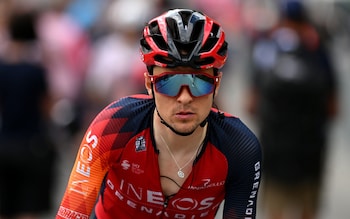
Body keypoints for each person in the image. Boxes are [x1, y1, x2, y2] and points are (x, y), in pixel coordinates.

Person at [56, 8, 262, 219]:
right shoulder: (113, 126)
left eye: (199, 82)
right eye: (169, 83)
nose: (184, 98)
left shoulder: (240, 148)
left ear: (216, 85)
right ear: (149, 84)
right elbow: (71, 212)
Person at [246, 1, 338, 218]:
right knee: (307, 208)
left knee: (275, 208)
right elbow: (334, 107)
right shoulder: (319, 51)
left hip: (275, 149)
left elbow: (251, 105)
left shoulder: (265, 50)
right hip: (311, 150)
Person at [0, 9, 57, 219]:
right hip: (32, 144)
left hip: (5, 143)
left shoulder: (2, 68)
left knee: (4, 207)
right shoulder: (36, 71)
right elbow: (48, 107)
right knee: (28, 208)